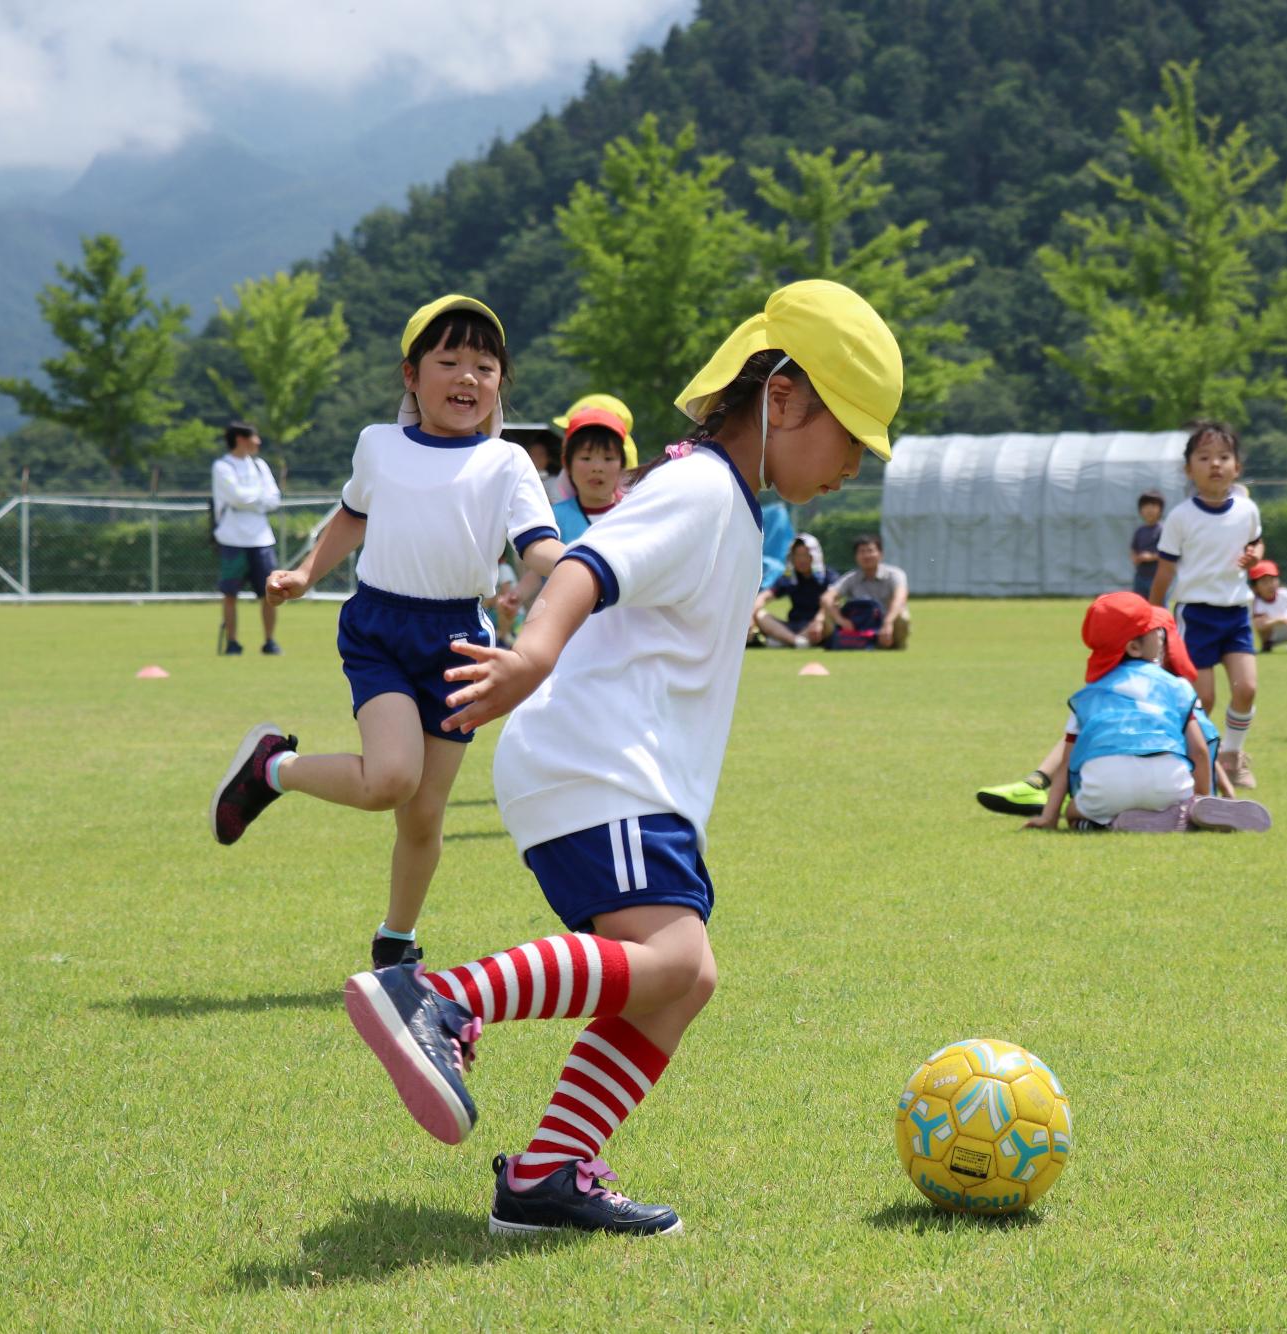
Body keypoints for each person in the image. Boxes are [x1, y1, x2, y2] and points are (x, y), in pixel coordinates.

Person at [329, 279, 902, 1237]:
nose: (853, 465)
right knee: (671, 956)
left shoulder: (728, 500)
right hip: (602, 764)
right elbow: (587, 568)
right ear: (787, 398)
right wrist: (533, 656)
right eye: (851, 435)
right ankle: (437, 997)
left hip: (627, 776)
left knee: (688, 976)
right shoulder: (701, 488)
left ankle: (549, 1176)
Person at [209, 295, 565, 974]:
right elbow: (352, 515)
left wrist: (594, 571)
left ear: (500, 384)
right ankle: (272, 769)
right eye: (449, 360)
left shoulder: (509, 464)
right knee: (392, 780)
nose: (468, 377)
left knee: (425, 816)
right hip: (381, 629)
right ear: (411, 375)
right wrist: (307, 572)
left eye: (485, 366)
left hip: (461, 644)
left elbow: (537, 547)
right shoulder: (380, 444)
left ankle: (395, 942)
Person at [1025, 593, 1268, 833]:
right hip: (1169, 787)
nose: (1161, 634)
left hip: (1107, 789)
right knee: (1175, 793)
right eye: (1153, 630)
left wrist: (1050, 817)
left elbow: (1066, 761)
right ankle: (1188, 812)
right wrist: (1202, 798)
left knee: (1074, 811)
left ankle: (1111, 822)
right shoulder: (1176, 686)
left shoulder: (1089, 695)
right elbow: (1200, 751)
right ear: (1133, 647)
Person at [1149, 421, 1266, 789]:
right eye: (1204, 457)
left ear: (1237, 467)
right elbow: (1166, 570)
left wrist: (1254, 555)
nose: (1215, 464)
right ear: (1189, 469)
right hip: (1196, 614)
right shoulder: (1181, 517)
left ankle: (1232, 756)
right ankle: (1190, 759)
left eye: (1223, 457)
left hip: (1236, 613)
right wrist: (1153, 615)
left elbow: (1257, 542)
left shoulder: (1247, 510)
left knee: (1246, 688)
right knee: (1204, 698)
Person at [211, 421, 284, 655]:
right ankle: (232, 642)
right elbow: (236, 497)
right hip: (233, 539)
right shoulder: (223, 467)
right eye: (254, 437)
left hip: (261, 539)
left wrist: (253, 499)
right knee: (230, 594)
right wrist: (258, 498)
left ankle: (270, 641)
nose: (258, 442)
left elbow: (274, 498)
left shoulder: (261, 466)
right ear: (241, 439)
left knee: (270, 592)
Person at [551, 394, 635, 544]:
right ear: (567, 463)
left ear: (622, 464)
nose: (597, 468)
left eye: (608, 459)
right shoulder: (552, 520)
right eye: (586, 458)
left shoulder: (634, 515)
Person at [822, 534, 910, 648]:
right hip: (860, 626)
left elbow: (900, 598)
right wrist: (841, 621)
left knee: (903, 616)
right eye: (862, 552)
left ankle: (896, 646)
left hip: (887, 623)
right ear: (856, 556)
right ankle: (840, 644)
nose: (866, 555)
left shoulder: (895, 574)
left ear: (880, 554)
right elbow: (826, 598)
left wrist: (887, 623)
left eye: (870, 551)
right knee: (826, 615)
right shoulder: (851, 578)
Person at [752, 534, 835, 646]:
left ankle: (785, 641)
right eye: (797, 555)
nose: (801, 560)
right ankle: (796, 641)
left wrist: (818, 620)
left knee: (829, 617)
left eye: (805, 555)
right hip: (793, 626)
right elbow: (765, 596)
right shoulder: (790, 578)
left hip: (818, 625)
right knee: (760, 614)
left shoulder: (828, 577)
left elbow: (832, 601)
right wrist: (750, 616)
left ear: (815, 556)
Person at [1130, 490, 1165, 600]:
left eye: (1153, 505)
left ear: (1160, 509)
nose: (1149, 509)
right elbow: (1133, 549)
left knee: (1158, 608)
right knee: (1139, 607)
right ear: (1140, 510)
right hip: (1140, 576)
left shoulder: (1162, 529)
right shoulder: (1140, 531)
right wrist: (1135, 558)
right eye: (1145, 506)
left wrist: (1150, 557)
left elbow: (1167, 553)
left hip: (1156, 578)